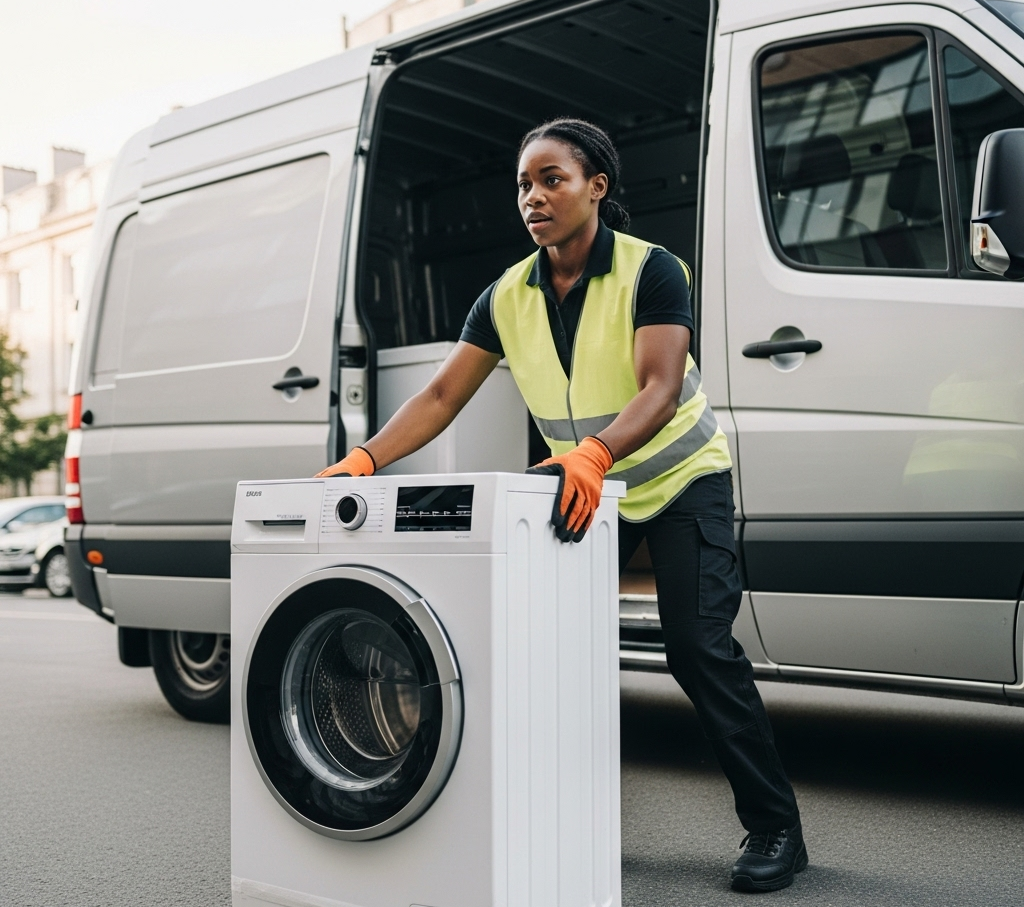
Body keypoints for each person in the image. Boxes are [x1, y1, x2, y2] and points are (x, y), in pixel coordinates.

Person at [318, 118, 806, 892]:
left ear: (597, 188)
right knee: (547, 654)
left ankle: (775, 825)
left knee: (697, 648)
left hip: (680, 481)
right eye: (524, 184)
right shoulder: (508, 294)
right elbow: (445, 393)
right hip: (587, 485)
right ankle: (564, 820)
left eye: (552, 179)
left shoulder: (653, 270)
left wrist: (596, 450)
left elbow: (659, 384)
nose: (533, 197)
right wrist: (365, 457)